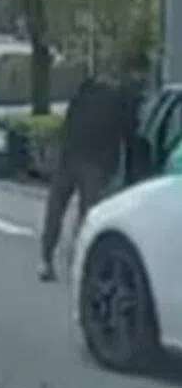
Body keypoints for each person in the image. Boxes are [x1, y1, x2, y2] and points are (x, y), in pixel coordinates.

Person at [38, 52, 150, 282]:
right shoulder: (125, 97)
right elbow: (131, 135)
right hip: (94, 162)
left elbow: (70, 121)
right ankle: (70, 262)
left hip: (73, 158)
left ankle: (50, 261)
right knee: (85, 215)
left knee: (59, 210)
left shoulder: (87, 89)